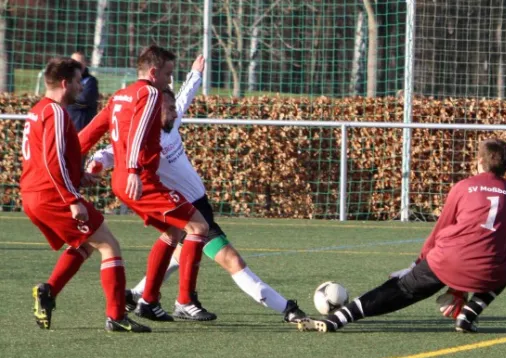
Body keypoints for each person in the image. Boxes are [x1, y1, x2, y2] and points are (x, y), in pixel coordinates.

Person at [87, 53, 307, 323]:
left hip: (196, 205)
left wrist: (196, 74)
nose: (175, 112)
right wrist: (95, 164)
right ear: (152, 111)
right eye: (168, 108)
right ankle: (286, 309)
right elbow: (110, 152)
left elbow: (184, 98)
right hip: (185, 207)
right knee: (231, 260)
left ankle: (140, 296)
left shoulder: (169, 124)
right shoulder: (142, 139)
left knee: (176, 249)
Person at [297, 138, 506, 333]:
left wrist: (416, 263)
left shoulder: (463, 186)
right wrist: (459, 290)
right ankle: (470, 313)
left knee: (402, 290)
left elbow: (441, 228)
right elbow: (487, 239)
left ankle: (338, 318)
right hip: (488, 271)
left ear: (480, 162)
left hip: (445, 261)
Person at [78, 45, 213, 323]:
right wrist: (133, 171)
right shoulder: (149, 92)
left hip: (125, 181)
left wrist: (74, 162)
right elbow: (139, 132)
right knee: (198, 226)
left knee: (174, 233)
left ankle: (149, 301)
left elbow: (91, 131)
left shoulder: (119, 96)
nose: (169, 81)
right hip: (140, 180)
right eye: (167, 74)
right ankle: (185, 300)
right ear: (153, 73)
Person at [20, 57, 150, 333]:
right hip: (51, 195)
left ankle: (49, 291)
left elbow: (52, 159)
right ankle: (116, 316)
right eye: (79, 81)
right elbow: (51, 162)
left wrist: (80, 178)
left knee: (86, 243)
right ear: (65, 83)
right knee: (109, 245)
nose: (82, 86)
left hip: (35, 193)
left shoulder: (38, 110)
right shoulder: (54, 112)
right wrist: (72, 199)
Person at [66, 52, 99, 131]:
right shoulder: (66, 80)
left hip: (82, 127)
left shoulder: (90, 81)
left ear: (85, 64)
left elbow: (84, 99)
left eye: (79, 63)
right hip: (67, 125)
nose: (76, 66)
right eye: (74, 63)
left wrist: (67, 98)